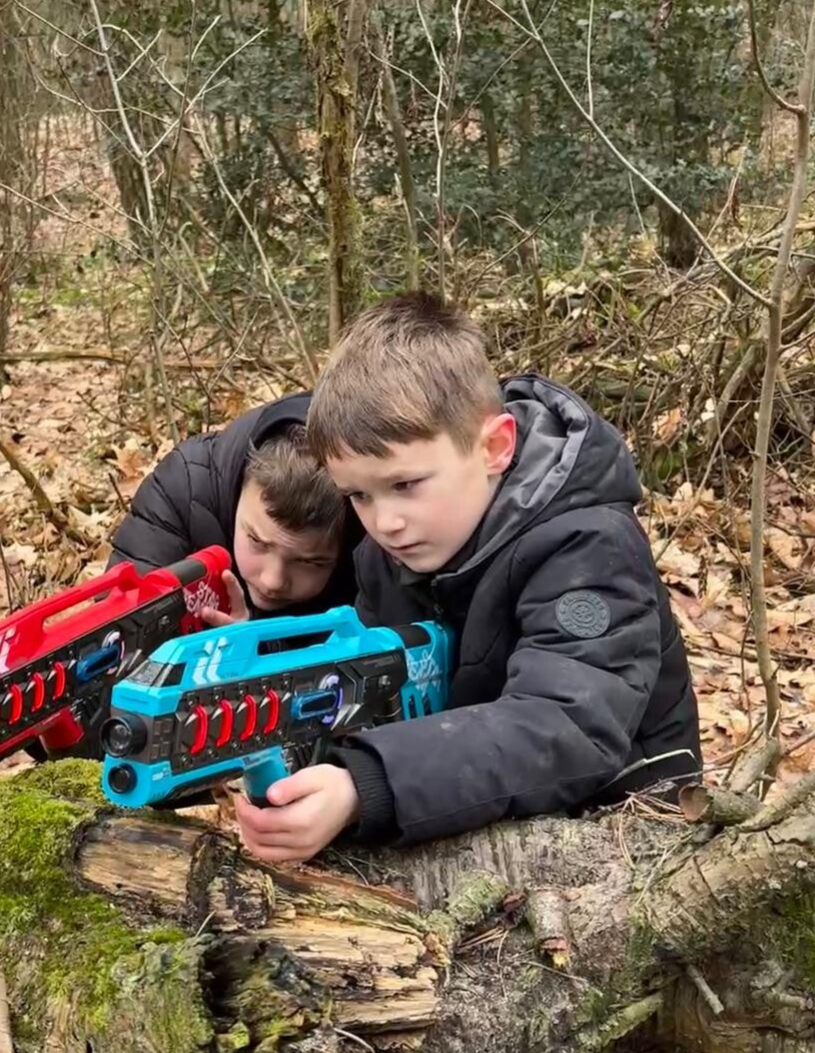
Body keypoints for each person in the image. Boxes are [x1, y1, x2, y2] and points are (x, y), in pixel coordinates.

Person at [233, 291, 701, 864]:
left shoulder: (589, 545)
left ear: (494, 447)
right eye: (358, 495)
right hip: (471, 828)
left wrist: (366, 783)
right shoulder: (389, 554)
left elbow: (567, 725)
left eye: (405, 485)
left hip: (625, 842)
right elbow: (377, 688)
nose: (385, 522)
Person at [110, 393, 359, 623]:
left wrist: (252, 644)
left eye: (310, 562)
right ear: (239, 485)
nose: (273, 581)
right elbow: (120, 628)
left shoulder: (373, 528)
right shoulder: (181, 488)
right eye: (258, 542)